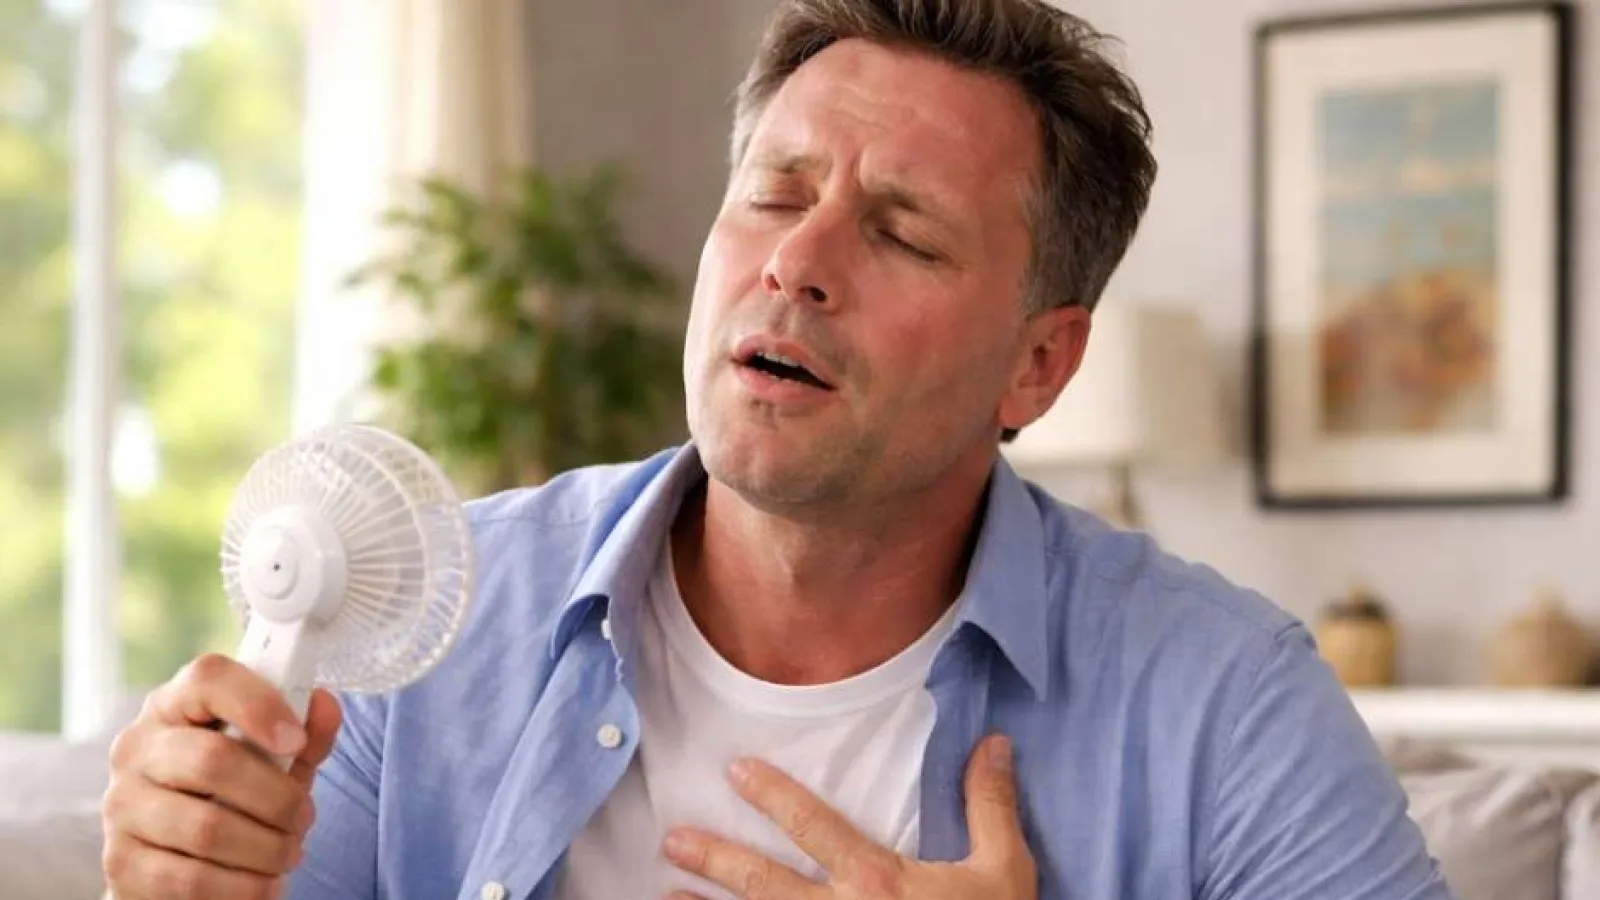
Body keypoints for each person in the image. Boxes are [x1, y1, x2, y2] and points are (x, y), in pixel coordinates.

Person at [100, 1, 1458, 898]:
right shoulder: (432, 623)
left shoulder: (1225, 700)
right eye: (774, 196)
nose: (798, 265)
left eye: (905, 235)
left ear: (1037, 364)